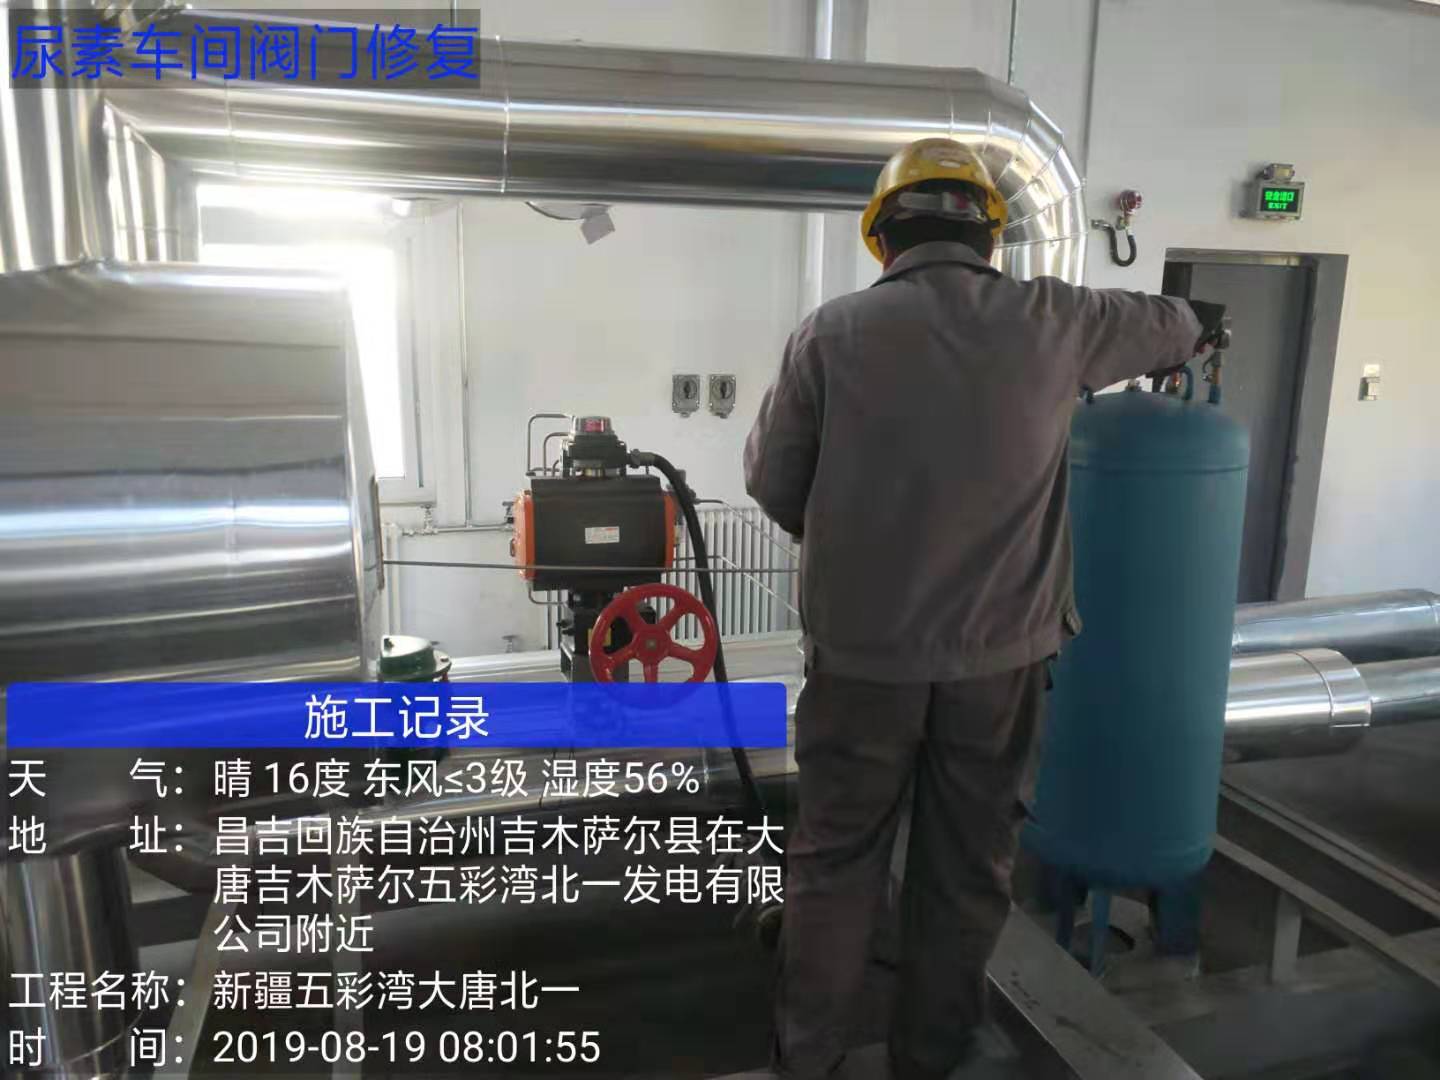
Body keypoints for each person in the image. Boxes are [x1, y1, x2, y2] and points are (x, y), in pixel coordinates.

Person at [744, 137, 1224, 1080]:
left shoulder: (829, 333)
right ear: (990, 236)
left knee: (835, 862)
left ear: (883, 237)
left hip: (861, 662)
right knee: (966, 871)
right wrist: (1202, 324)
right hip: (999, 667)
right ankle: (929, 1059)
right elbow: (1173, 324)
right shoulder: (1060, 320)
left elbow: (772, 481)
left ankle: (809, 1059)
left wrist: (853, 541)